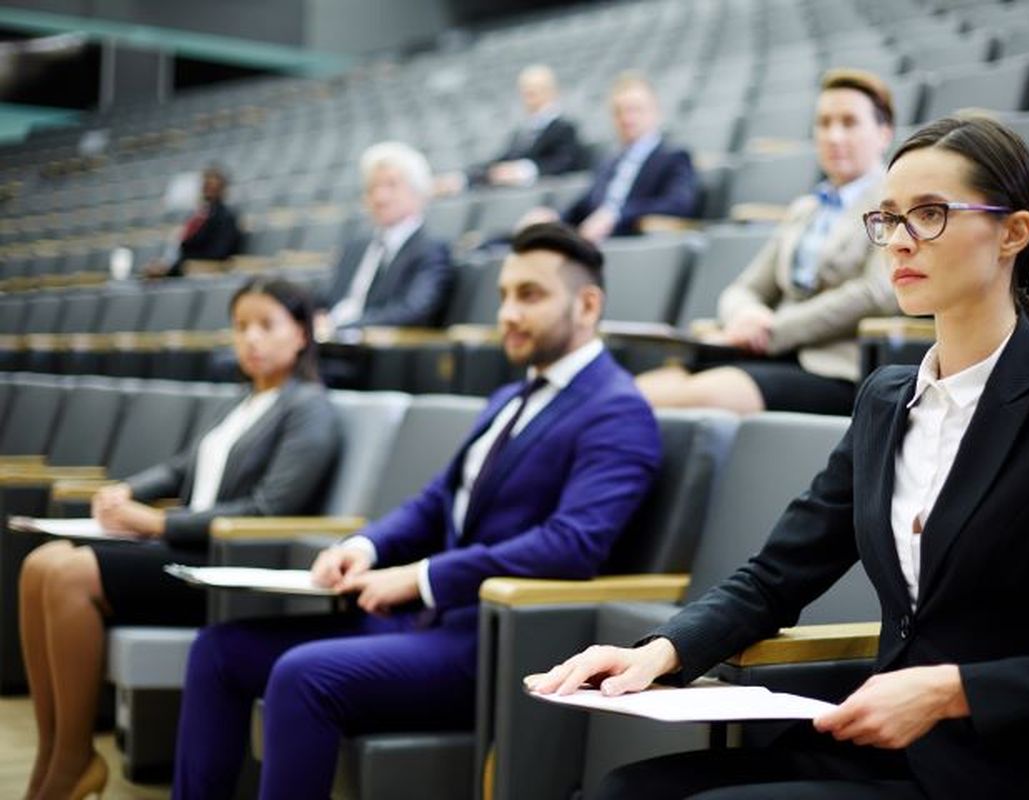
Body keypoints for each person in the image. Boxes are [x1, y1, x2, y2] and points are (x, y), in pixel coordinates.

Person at [531, 116, 1029, 800]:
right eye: (887, 219)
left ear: (1013, 233)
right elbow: (776, 575)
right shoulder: (885, 400)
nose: (899, 240)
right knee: (621, 791)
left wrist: (954, 691)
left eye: (931, 214)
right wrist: (659, 652)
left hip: (988, 767)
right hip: (867, 746)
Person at [171, 222, 662, 799]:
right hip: (424, 622)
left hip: (492, 637)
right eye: (503, 295)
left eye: (529, 296)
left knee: (304, 676)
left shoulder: (618, 411)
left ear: (587, 304)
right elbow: (435, 502)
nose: (507, 312)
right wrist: (364, 547)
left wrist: (422, 577)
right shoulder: (509, 397)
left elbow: (572, 544)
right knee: (218, 652)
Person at [18, 278, 340, 800]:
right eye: (240, 327)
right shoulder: (241, 404)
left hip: (219, 565)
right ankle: (55, 755)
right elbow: (179, 469)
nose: (250, 339)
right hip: (180, 551)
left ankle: (75, 757)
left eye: (266, 325)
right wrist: (126, 492)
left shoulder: (308, 408)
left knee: (69, 575)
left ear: (302, 334)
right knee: (41, 564)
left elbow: (269, 509)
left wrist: (156, 523)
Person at [636, 68, 899, 415]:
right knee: (629, 394)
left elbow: (876, 294)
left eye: (849, 123)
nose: (834, 136)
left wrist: (773, 331)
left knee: (694, 397)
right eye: (824, 123)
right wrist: (746, 315)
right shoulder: (804, 210)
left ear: (883, 133)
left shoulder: (893, 202)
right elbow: (743, 288)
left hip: (834, 367)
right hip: (766, 352)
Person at [521, 72, 698, 243]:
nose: (626, 118)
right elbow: (585, 206)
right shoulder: (609, 161)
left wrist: (618, 215)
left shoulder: (673, 156)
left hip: (629, 239)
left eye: (635, 109)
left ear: (656, 112)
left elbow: (678, 204)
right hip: (591, 241)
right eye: (618, 112)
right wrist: (553, 218)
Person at [315, 141, 453, 338]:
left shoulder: (430, 249)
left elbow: (413, 311)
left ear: (419, 193)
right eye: (372, 188)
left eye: (391, 185)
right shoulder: (354, 248)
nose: (380, 197)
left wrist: (339, 327)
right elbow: (326, 298)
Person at [437, 64, 587, 194]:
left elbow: (565, 163)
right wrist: (464, 178)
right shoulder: (522, 131)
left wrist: (522, 172)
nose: (527, 99)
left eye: (533, 93)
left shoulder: (565, 127)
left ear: (551, 92)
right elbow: (501, 161)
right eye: (525, 93)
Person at [145, 165, 241, 278]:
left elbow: (218, 253)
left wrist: (171, 268)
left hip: (199, 268)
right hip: (184, 264)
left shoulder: (226, 217)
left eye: (212, 187)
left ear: (222, 189)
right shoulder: (200, 215)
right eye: (206, 186)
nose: (207, 191)